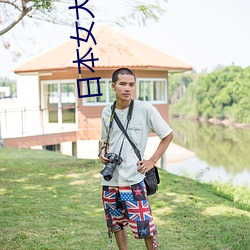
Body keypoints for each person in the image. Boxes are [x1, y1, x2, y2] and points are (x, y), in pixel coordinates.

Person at [99, 68, 173, 250]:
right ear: (113, 86)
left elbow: (168, 135)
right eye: (123, 84)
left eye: (131, 84)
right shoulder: (107, 112)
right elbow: (104, 140)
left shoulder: (145, 109)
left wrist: (152, 161)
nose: (127, 89)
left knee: (146, 227)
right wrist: (102, 152)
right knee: (116, 224)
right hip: (110, 181)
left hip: (134, 180)